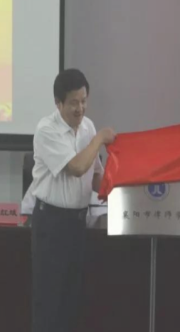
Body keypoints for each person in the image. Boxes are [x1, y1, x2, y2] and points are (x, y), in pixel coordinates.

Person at [31, 68, 115, 332]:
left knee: (71, 300)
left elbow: (95, 176)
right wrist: (100, 139)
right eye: (73, 103)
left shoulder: (87, 126)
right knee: (49, 301)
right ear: (58, 103)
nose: (80, 109)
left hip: (78, 223)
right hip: (52, 224)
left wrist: (123, 188)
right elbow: (77, 167)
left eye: (84, 101)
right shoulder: (47, 129)